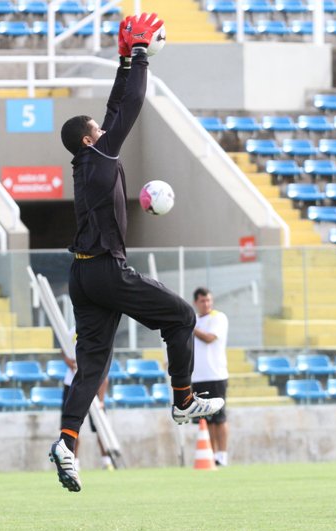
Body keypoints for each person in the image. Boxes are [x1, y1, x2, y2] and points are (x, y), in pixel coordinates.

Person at [51, 13, 224, 493]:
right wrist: (142, 56)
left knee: (92, 366)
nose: (104, 130)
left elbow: (112, 107)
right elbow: (130, 106)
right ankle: (184, 398)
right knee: (182, 317)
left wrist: (124, 60)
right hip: (106, 269)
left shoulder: (86, 161)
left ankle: (65, 441)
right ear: (90, 139)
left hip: (81, 276)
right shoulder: (100, 154)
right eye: (97, 130)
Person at [61, 326, 114, 471]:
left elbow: (104, 369)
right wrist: (67, 360)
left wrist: (101, 398)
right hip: (72, 385)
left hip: (92, 384)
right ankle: (73, 462)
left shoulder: (98, 328)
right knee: (71, 426)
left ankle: (107, 460)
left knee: (101, 426)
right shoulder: (72, 331)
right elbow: (63, 348)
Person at [191, 288, 230, 467]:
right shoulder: (194, 321)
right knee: (205, 419)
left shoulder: (218, 318)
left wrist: (190, 327)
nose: (206, 304)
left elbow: (209, 338)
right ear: (195, 302)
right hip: (197, 377)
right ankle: (211, 454)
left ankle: (222, 454)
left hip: (215, 375)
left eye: (208, 300)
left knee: (219, 417)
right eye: (202, 301)